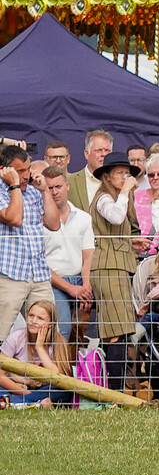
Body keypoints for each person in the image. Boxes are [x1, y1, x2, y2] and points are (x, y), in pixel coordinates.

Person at [86, 157, 140, 390]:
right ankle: (115, 391)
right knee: (116, 330)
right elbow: (115, 216)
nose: (125, 178)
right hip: (108, 268)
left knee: (117, 329)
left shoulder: (117, 198)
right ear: (106, 176)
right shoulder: (104, 198)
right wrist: (127, 191)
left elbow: (117, 227)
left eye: (127, 174)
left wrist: (131, 241)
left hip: (117, 266)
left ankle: (113, 389)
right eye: (120, 174)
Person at [0, 143, 62, 341]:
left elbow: (54, 224)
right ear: (5, 170)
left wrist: (45, 191)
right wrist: (14, 186)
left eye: (28, 169)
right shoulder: (3, 192)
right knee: (1, 334)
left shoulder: (34, 192)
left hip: (39, 274)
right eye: (20, 171)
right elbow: (14, 218)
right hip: (9, 275)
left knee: (49, 336)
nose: (26, 175)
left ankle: (45, 371)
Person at [40, 168, 94, 343]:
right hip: (52, 282)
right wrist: (71, 289)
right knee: (63, 328)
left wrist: (86, 286)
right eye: (49, 188)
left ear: (67, 186)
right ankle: (59, 370)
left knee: (96, 324)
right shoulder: (38, 220)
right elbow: (40, 264)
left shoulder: (84, 218)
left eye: (58, 186)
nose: (54, 192)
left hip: (79, 278)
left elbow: (88, 256)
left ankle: (89, 367)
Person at [3, 299, 73, 407]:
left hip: (44, 388)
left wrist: (39, 347)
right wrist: (23, 392)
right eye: (31, 315)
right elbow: (1, 375)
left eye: (40, 318)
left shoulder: (59, 342)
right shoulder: (16, 338)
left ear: (50, 324)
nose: (34, 321)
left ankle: (12, 402)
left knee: (64, 390)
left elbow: (59, 379)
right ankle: (35, 403)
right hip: (17, 386)